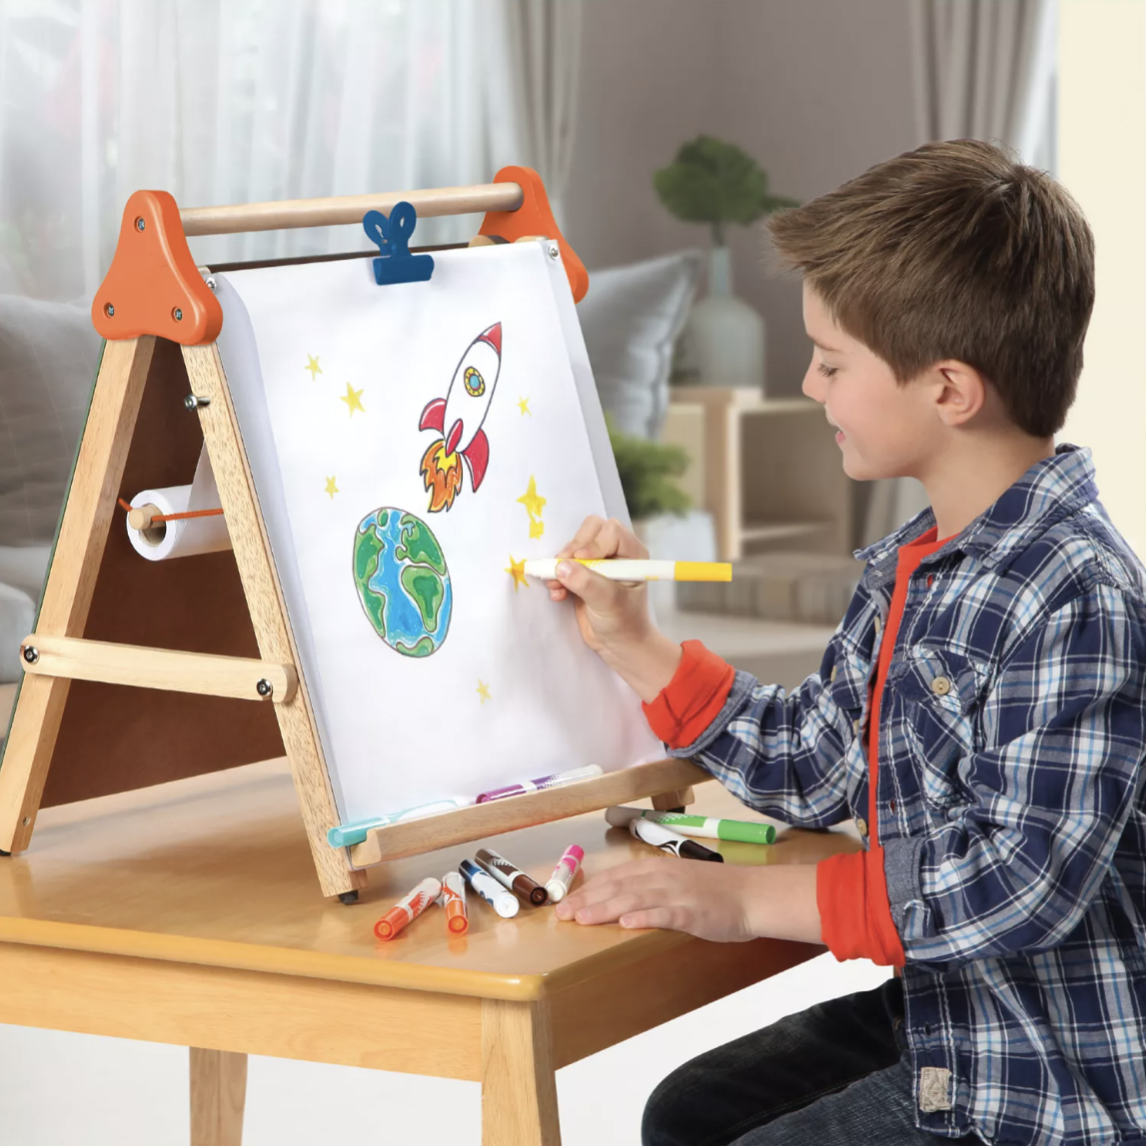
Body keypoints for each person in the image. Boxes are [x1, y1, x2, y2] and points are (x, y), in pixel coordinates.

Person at [548, 139, 1146, 1146]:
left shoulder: (1074, 593)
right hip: (954, 1016)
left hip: (1042, 1085)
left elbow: (1020, 883)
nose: (811, 385)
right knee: (686, 1114)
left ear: (949, 391)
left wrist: (743, 901)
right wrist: (635, 639)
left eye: (832, 362)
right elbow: (817, 761)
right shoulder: (916, 564)